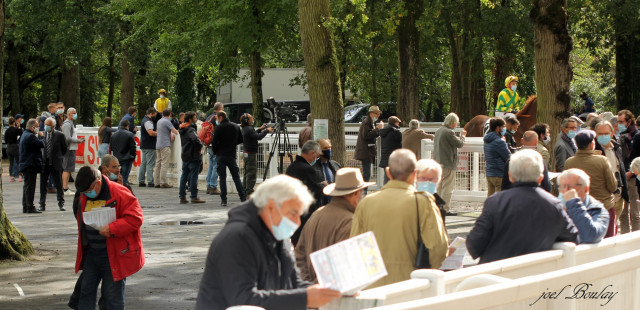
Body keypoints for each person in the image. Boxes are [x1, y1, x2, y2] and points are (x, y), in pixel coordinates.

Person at [195, 175, 341, 309]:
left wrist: (327, 291)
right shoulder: (237, 238)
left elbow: (292, 282)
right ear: (271, 207)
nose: (297, 222)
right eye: (293, 213)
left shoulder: (277, 234)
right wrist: (305, 298)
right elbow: (243, 299)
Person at [351, 149, 449, 288]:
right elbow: (438, 248)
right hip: (410, 283)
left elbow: (355, 246)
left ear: (388, 172)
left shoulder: (366, 202)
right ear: (415, 174)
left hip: (373, 284)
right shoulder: (423, 202)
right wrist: (427, 272)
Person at [466, 149, 578, 264]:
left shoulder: (495, 201)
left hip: (496, 273)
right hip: (536, 273)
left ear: (510, 176)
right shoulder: (554, 204)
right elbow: (573, 236)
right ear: (541, 178)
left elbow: (474, 245)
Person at [73, 166, 145, 310]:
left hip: (114, 254)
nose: (88, 194)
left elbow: (136, 218)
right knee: (85, 291)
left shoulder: (119, 192)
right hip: (92, 253)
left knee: (113, 297)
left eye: (89, 191)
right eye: (84, 192)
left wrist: (112, 228)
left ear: (98, 182)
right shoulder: (83, 194)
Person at [295, 168, 374, 283]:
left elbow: (299, 255)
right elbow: (342, 266)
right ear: (355, 194)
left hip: (313, 292)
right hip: (333, 293)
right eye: (361, 193)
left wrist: (307, 286)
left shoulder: (317, 214)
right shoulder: (350, 221)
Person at [564, 130, 618, 237]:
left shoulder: (569, 162)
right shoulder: (602, 161)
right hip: (604, 206)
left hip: (579, 209)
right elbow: (612, 186)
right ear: (591, 143)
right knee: (607, 244)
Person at [285, 140, 326, 244]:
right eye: (317, 156)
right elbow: (313, 191)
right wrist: (322, 185)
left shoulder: (292, 167)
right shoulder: (307, 169)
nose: (316, 159)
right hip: (305, 214)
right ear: (312, 153)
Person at [558, 169, 609, 244]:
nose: (565, 191)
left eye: (570, 187)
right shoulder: (555, 207)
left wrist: (573, 203)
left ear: (585, 189)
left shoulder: (597, 209)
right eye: (563, 186)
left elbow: (590, 236)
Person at [594, 121, 628, 222]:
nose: (603, 136)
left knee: (614, 227)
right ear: (595, 134)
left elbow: (621, 168)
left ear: (612, 133)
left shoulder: (617, 148)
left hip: (618, 197)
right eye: (600, 134)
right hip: (604, 200)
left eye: (606, 133)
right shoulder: (594, 150)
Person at [433, 113, 466, 216]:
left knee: (439, 186)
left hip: (438, 162)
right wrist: (463, 136)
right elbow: (460, 144)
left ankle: (438, 207)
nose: (456, 125)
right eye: (456, 123)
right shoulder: (449, 133)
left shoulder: (438, 131)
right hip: (447, 163)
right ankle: (445, 209)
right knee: (448, 187)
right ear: (452, 122)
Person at [212, 111, 246, 206]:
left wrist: (215, 152)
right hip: (231, 154)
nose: (217, 120)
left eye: (217, 118)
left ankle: (224, 200)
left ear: (221, 117)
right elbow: (240, 139)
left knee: (222, 178)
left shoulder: (218, 128)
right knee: (236, 177)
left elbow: (214, 142)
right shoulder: (235, 126)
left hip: (220, 155)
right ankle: (243, 198)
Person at [240, 113, 273, 196]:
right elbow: (258, 137)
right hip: (250, 153)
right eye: (251, 117)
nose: (253, 118)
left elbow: (253, 135)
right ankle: (249, 191)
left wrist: (259, 129)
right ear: (247, 120)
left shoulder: (245, 128)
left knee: (247, 172)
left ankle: (245, 189)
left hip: (246, 152)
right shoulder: (249, 129)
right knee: (251, 172)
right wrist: (266, 130)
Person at [39, 117, 67, 211]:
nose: (46, 126)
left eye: (48, 125)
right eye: (45, 124)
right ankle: (42, 204)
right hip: (44, 163)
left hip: (56, 163)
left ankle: (61, 203)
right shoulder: (42, 134)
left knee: (58, 184)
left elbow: (64, 149)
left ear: (53, 126)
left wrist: (58, 157)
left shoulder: (60, 135)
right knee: (43, 184)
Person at [618, 110, 640, 233]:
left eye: (621, 122)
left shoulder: (636, 136)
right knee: (623, 213)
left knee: (635, 213)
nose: (619, 124)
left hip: (633, 178)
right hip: (622, 178)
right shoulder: (620, 136)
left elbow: (636, 158)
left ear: (629, 121)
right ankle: (624, 239)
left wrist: (631, 172)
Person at [178, 111, 205, 204]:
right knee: (194, 176)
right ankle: (194, 196)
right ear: (190, 119)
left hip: (185, 155)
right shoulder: (190, 130)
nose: (196, 119)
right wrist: (199, 148)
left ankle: (182, 196)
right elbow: (196, 140)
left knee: (184, 176)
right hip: (193, 155)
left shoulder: (182, 129)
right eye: (194, 118)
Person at [353, 106, 383, 187]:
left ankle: (363, 190)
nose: (378, 116)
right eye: (376, 113)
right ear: (371, 113)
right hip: (365, 151)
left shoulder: (370, 122)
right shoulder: (366, 122)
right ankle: (363, 191)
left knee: (367, 173)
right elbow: (366, 135)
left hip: (367, 151)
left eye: (379, 114)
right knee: (367, 174)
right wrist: (377, 128)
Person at [20, 119, 44, 214]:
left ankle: (25, 205)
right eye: (37, 126)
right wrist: (41, 137)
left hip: (26, 163)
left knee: (27, 186)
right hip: (30, 164)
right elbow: (41, 144)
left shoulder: (25, 135)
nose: (38, 128)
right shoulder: (30, 136)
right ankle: (30, 206)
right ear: (32, 127)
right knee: (30, 186)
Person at [484, 117, 511, 196]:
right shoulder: (499, 142)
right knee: (500, 199)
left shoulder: (487, 140)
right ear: (498, 128)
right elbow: (508, 157)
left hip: (490, 173)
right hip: (499, 174)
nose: (504, 129)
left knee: (490, 197)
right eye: (503, 127)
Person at [62, 108, 85, 195]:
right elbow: (67, 138)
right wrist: (77, 141)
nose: (75, 114)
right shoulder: (67, 124)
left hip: (71, 148)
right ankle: (65, 188)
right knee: (67, 169)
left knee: (68, 169)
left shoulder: (70, 124)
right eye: (73, 113)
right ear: (68, 114)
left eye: (75, 113)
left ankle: (65, 187)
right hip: (69, 149)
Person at [153, 108, 178, 188]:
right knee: (164, 164)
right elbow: (175, 131)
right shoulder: (167, 121)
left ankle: (156, 182)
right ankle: (163, 182)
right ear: (169, 114)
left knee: (157, 164)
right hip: (165, 144)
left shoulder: (159, 121)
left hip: (158, 144)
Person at [314, 138, 342, 205]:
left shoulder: (335, 165)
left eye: (330, 147)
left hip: (336, 204)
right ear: (319, 150)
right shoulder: (313, 168)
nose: (328, 150)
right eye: (325, 148)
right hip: (320, 205)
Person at [110, 120, 137, 186]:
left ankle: (117, 187)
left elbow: (111, 147)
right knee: (125, 175)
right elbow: (133, 147)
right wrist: (133, 156)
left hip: (117, 157)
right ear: (127, 126)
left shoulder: (114, 134)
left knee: (117, 175)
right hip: (127, 157)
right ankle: (123, 187)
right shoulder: (130, 134)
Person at [205, 102, 223, 195]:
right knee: (216, 165)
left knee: (211, 165)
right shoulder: (216, 118)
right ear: (220, 109)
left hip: (208, 143)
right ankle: (213, 186)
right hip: (215, 144)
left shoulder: (208, 117)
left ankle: (208, 185)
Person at [379, 116, 403, 184]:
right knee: (394, 177)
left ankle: (385, 191)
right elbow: (401, 143)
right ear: (395, 123)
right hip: (394, 157)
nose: (399, 125)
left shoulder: (384, 132)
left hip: (385, 157)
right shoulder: (396, 132)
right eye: (398, 123)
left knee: (386, 176)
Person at [138, 108, 158, 187]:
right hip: (149, 145)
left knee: (144, 163)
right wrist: (159, 133)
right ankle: (150, 181)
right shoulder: (148, 121)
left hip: (144, 144)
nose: (155, 116)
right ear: (151, 113)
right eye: (154, 114)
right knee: (150, 163)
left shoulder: (144, 120)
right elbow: (151, 132)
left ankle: (141, 180)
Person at [5, 116, 23, 182]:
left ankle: (11, 177)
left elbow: (6, 140)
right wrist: (19, 127)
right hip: (15, 146)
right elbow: (21, 133)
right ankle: (20, 176)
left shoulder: (6, 131)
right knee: (18, 161)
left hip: (9, 147)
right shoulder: (15, 129)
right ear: (14, 123)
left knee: (11, 162)